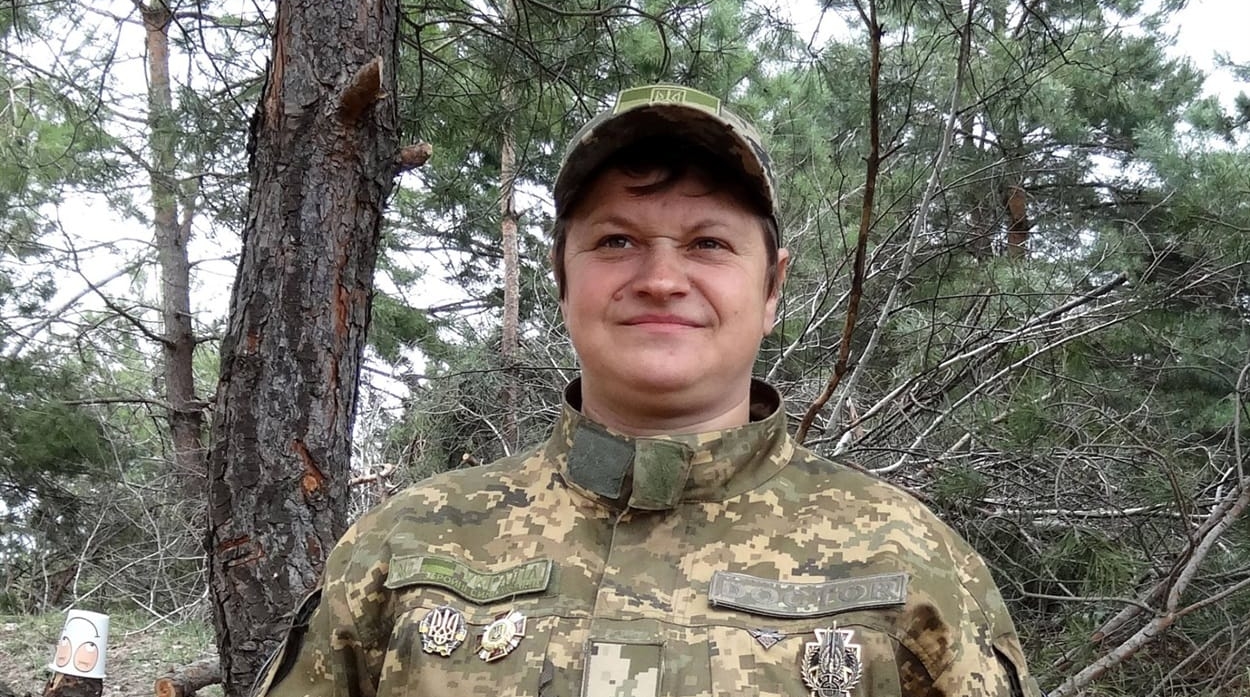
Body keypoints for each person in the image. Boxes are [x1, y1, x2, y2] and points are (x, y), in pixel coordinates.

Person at [254, 84, 1042, 697]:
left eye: (708, 243)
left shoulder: (909, 561)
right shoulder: (407, 548)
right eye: (617, 240)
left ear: (771, 287)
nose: (661, 278)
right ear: (562, 278)